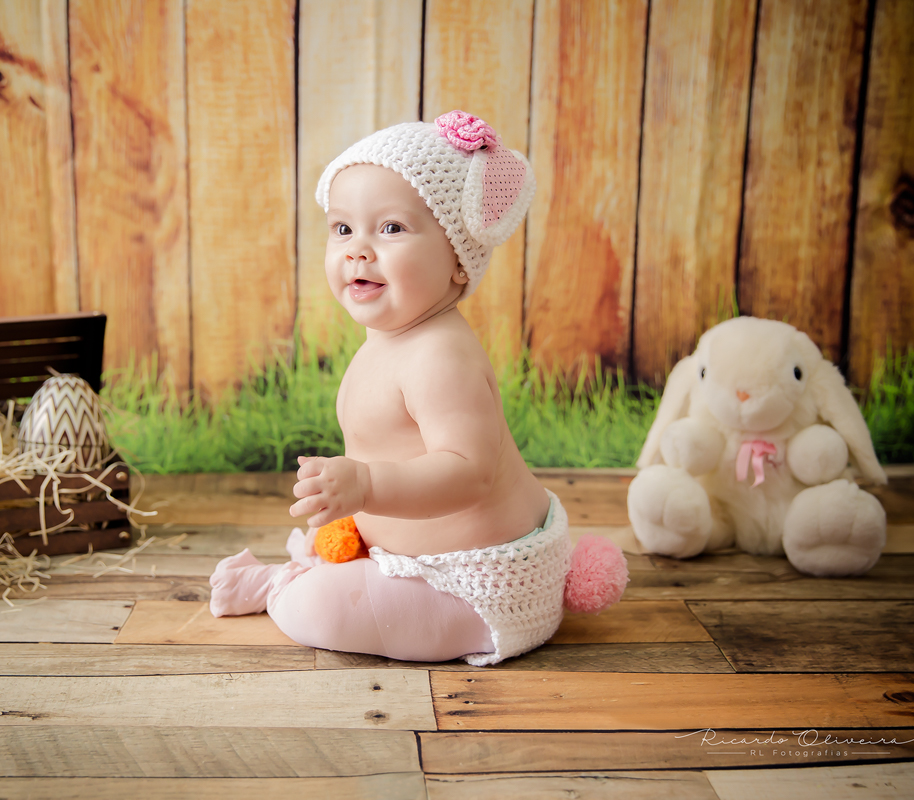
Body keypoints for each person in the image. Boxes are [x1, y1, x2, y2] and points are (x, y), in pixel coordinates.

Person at [208, 111, 625, 665]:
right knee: (335, 567)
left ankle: (281, 587)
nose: (358, 249)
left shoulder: (440, 355)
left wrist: (366, 485)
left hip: (477, 583)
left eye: (391, 229)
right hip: (421, 561)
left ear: (458, 260)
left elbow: (469, 472)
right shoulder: (390, 339)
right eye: (343, 229)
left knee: (322, 609)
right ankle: (316, 573)